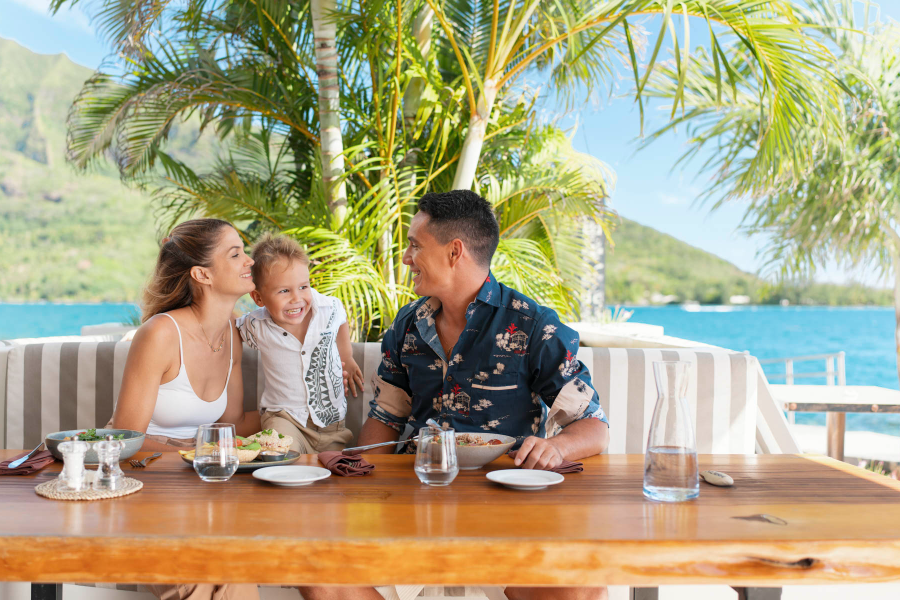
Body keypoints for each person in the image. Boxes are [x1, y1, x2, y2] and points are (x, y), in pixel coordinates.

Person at [354, 189, 610, 600]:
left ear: (455, 251)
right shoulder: (407, 324)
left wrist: (556, 448)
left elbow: (593, 427)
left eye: (415, 245)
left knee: (584, 585)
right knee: (317, 574)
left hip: (506, 508)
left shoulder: (532, 325)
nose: (406, 257)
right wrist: (353, 481)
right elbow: (386, 416)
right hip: (412, 504)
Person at [112, 218, 262, 600]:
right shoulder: (161, 334)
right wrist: (195, 452)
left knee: (235, 568)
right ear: (202, 274)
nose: (250, 261)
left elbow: (231, 426)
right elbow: (125, 440)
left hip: (203, 490)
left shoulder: (232, 335)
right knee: (211, 575)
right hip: (145, 490)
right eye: (236, 253)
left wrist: (296, 411)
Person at [235, 233, 363, 453]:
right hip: (284, 419)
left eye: (303, 287)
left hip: (331, 425)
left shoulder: (328, 308)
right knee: (283, 458)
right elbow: (228, 324)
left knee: (329, 475)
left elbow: (341, 320)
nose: (296, 298)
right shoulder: (257, 325)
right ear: (258, 298)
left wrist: (347, 356)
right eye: (284, 291)